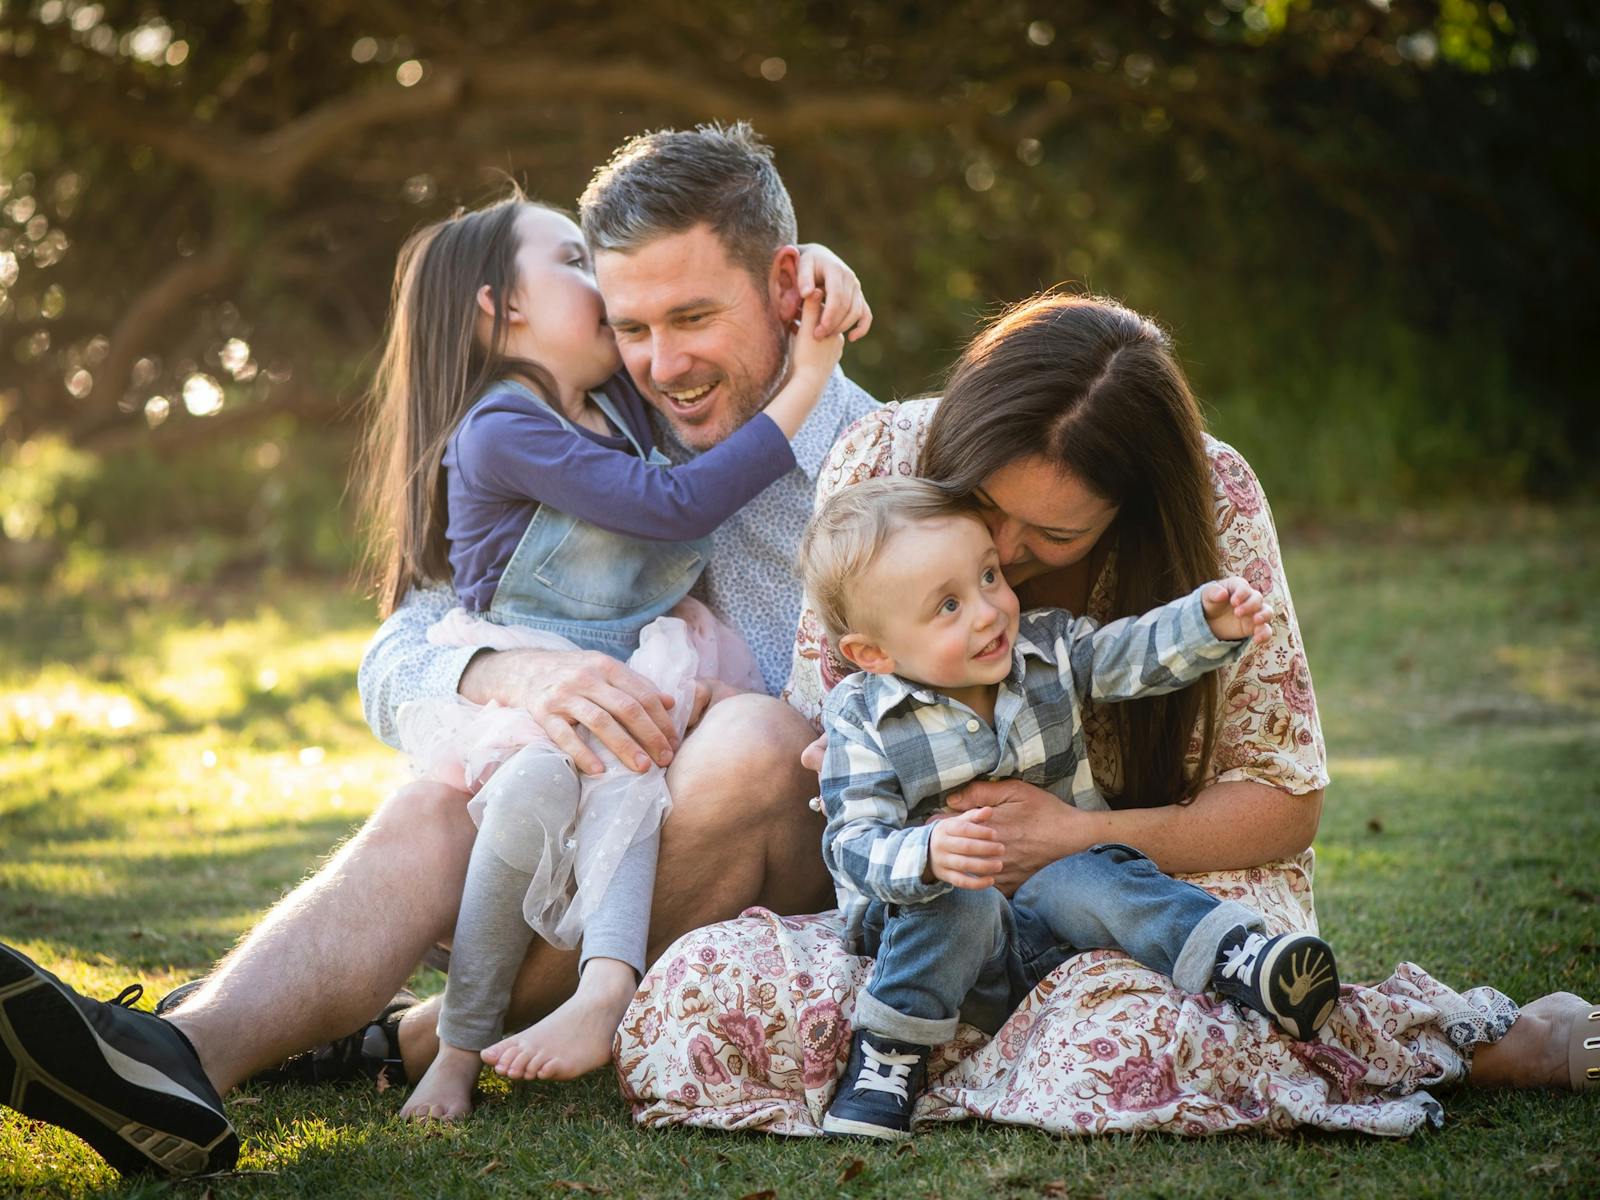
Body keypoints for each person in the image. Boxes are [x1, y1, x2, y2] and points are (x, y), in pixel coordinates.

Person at [0, 122, 877, 1176]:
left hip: (808, 842)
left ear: (789, 289)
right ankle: (179, 1060)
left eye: (693, 319)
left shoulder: (875, 469)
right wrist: (513, 669)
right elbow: (399, 651)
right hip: (597, 823)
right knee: (434, 801)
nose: (662, 360)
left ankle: (411, 1033)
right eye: (629, 320)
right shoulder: (606, 423)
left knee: (746, 740)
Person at [616, 290, 1595, 1134]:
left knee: (1129, 1030)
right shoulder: (885, 462)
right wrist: (929, 854)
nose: (999, 564)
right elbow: (841, 778)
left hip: (1158, 885)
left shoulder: (1206, 510)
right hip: (939, 913)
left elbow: (1275, 800)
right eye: (981, 509)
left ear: (1130, 512)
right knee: (705, 989)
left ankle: (1471, 1035)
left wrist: (1077, 831)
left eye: (1047, 535)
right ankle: (923, 1063)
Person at [350, 188, 846, 1120]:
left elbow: (711, 307)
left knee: (637, 793)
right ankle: (450, 1046)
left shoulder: (612, 401)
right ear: (502, 308)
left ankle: (601, 992)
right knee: (530, 807)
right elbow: (673, 508)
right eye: (574, 262)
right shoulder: (504, 426)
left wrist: (807, 265)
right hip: (542, 668)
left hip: (630, 663)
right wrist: (809, 377)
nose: (603, 283)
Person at [797, 478, 1340, 1139]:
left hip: (1053, 927)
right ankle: (890, 1055)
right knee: (956, 897)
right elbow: (850, 842)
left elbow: (1124, 654)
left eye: (989, 577)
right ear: (873, 652)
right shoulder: (861, 717)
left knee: (1096, 874)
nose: (988, 611)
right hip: (940, 943)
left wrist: (1203, 624)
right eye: (947, 605)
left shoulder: (1044, 650)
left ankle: (1242, 959)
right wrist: (927, 854)